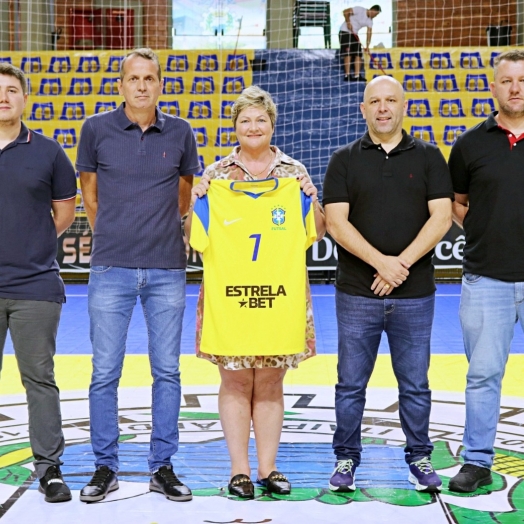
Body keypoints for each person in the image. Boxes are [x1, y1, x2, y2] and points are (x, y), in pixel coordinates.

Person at [185, 86, 326, 499]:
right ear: (235, 126)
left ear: (272, 124)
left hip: (279, 298)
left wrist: (311, 198)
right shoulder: (215, 177)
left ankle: (269, 468)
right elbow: (196, 240)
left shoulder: (292, 173)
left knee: (270, 381)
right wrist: (197, 202)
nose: (253, 127)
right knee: (233, 381)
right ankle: (239, 471)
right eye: (245, 120)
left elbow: (314, 233)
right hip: (230, 298)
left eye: (260, 119)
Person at [77, 48, 200, 503]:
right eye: (134, 78)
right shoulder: (95, 130)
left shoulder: (182, 132)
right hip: (110, 267)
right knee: (104, 372)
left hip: (168, 268)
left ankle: (161, 466)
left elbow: (185, 198)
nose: (142, 85)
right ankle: (105, 467)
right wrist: (115, 233)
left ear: (160, 84)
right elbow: (89, 195)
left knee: (167, 372)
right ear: (122, 84)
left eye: (150, 78)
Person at [323, 76, 453, 493]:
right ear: (363, 109)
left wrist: (402, 265)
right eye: (374, 101)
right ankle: (346, 458)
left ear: (403, 106)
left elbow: (442, 217)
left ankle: (419, 456)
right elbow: (336, 224)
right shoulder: (343, 160)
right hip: (357, 294)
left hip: (415, 297)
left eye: (390, 100)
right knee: (350, 384)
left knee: (415, 384)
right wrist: (383, 264)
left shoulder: (431, 157)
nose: (382, 108)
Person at [447, 49, 524, 493]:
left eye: (521, 80)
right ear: (493, 87)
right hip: (486, 278)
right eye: (506, 80)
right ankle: (476, 462)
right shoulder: (470, 144)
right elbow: (457, 203)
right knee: (482, 376)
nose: (515, 87)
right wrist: (479, 225)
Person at [0, 63, 76, 503]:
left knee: (39, 380)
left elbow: (63, 212)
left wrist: (32, 244)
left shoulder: (48, 152)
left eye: (13, 90)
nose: (5, 97)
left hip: (34, 286)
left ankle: (48, 468)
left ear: (25, 99)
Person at [339, 4, 381, 82]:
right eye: (376, 14)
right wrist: (348, 22)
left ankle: (357, 75)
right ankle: (347, 75)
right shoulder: (360, 10)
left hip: (354, 34)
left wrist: (367, 46)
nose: (375, 16)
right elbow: (345, 12)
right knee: (348, 53)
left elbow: (369, 33)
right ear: (372, 10)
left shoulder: (369, 21)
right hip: (345, 32)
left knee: (358, 53)